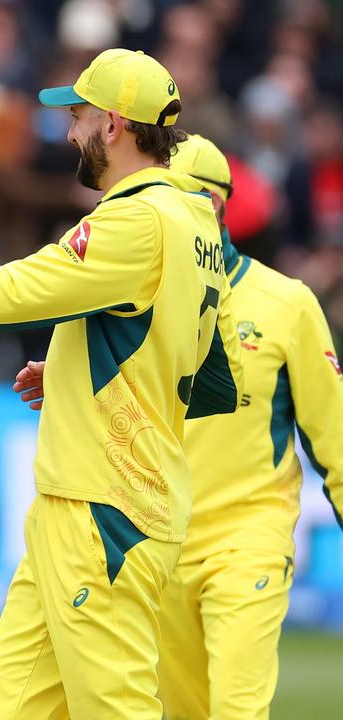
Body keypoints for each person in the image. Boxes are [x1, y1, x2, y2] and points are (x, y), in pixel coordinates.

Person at [0, 49, 244, 719]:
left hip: (105, 505)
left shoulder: (134, 219)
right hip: (88, 498)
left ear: (115, 125)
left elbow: (4, 296)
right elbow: (214, 372)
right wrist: (72, 371)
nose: (69, 133)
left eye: (78, 116)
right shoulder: (196, 224)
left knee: (115, 709)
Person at [157, 135, 342, 719]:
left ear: (211, 207)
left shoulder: (285, 302)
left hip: (248, 538)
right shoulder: (133, 300)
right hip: (158, 546)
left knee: (238, 710)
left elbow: (331, 432)